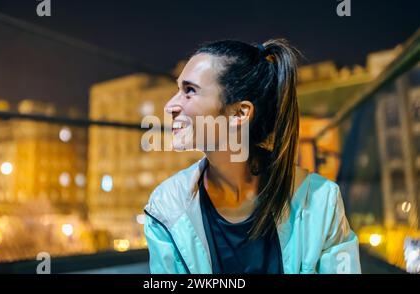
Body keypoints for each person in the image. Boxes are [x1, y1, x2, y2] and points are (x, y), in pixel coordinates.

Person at [143, 39, 361, 274]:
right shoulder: (165, 207)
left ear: (239, 113)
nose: (170, 106)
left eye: (189, 91)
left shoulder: (321, 202)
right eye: (178, 89)